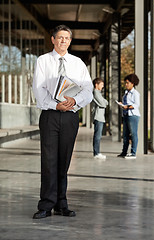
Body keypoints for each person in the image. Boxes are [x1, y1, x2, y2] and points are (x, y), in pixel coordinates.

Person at [32, 25, 93, 219]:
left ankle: (61, 203)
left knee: (64, 160)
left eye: (66, 38)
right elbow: (38, 88)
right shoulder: (43, 61)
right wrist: (54, 104)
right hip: (50, 115)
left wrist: (75, 101)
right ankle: (46, 205)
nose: (63, 41)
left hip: (70, 116)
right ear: (53, 39)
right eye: (60, 37)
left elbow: (88, 90)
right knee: (49, 161)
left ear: (70, 41)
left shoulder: (78, 63)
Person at [117, 73, 140, 159]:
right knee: (125, 134)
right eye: (125, 83)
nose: (126, 84)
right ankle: (124, 152)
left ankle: (133, 153)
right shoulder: (126, 93)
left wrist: (127, 106)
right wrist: (122, 104)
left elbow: (136, 105)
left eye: (127, 83)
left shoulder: (135, 93)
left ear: (132, 83)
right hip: (126, 115)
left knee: (133, 134)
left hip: (133, 116)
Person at [92, 77, 108, 160]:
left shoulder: (98, 93)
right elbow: (103, 103)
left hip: (100, 117)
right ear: (96, 85)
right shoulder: (96, 93)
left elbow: (104, 102)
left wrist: (104, 101)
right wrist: (104, 101)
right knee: (97, 136)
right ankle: (96, 153)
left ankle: (97, 152)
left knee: (98, 135)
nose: (103, 86)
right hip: (98, 117)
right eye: (101, 84)